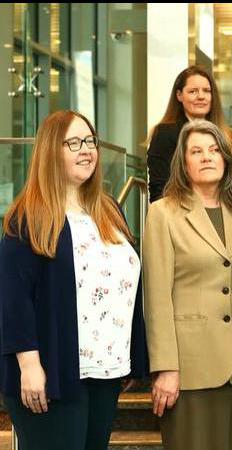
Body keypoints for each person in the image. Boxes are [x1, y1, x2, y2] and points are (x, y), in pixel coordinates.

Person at [0, 110, 148, 449]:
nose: (87, 150)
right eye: (74, 143)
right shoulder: (29, 217)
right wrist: (29, 365)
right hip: (53, 372)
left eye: (90, 141)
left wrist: (129, 355)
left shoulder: (109, 210)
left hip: (106, 369)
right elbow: (13, 299)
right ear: (51, 151)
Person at [143, 119, 232, 450]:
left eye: (214, 150)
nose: (207, 157)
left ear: (226, 159)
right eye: (196, 151)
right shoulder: (163, 213)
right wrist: (165, 368)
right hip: (189, 367)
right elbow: (157, 297)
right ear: (183, 162)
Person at [147, 65, 232, 203]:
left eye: (206, 91)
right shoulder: (164, 133)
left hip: (224, 210)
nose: (201, 96)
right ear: (179, 95)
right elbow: (159, 189)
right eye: (193, 91)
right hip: (180, 211)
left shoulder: (228, 136)